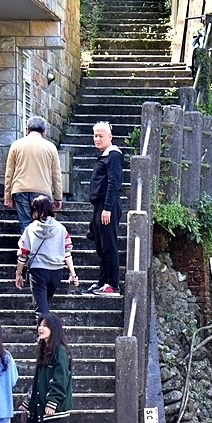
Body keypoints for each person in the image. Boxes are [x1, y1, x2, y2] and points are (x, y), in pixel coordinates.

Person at [19, 314, 77, 423]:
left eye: (45, 326)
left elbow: (61, 379)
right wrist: (27, 404)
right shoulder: (44, 349)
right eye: (39, 325)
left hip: (52, 406)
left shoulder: (60, 351)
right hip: (38, 404)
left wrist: (52, 402)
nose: (40, 328)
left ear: (54, 329)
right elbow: (38, 381)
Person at [15, 195, 79, 320]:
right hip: (56, 272)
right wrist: (72, 273)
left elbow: (23, 253)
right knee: (45, 305)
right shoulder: (61, 229)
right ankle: (46, 336)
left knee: (41, 309)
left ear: (35, 210)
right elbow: (67, 252)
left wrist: (18, 273)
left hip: (38, 271)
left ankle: (45, 338)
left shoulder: (30, 229)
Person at [4, 115, 64, 233]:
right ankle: (40, 251)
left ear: (27, 130)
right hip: (42, 191)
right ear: (44, 132)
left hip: (20, 189)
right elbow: (56, 174)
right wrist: (58, 197)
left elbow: (9, 173)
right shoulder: (50, 147)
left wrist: (7, 195)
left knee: (25, 225)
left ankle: (28, 250)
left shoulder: (16, 145)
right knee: (42, 224)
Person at [84, 121, 123, 296]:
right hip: (100, 205)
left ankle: (113, 284)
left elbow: (115, 183)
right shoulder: (105, 155)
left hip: (108, 206)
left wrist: (107, 208)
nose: (97, 139)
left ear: (110, 137)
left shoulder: (113, 155)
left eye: (101, 136)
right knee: (101, 246)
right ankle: (102, 282)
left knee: (109, 245)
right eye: (95, 135)